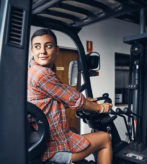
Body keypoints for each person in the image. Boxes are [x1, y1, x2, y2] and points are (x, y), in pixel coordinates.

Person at [27, 28, 113, 164]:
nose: (42, 51)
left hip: (41, 139)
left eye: (48, 46)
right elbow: (74, 98)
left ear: (56, 49)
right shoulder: (42, 74)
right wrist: (100, 107)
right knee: (105, 138)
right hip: (52, 147)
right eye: (37, 47)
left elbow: (52, 101)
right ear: (32, 50)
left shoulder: (33, 71)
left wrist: (86, 101)